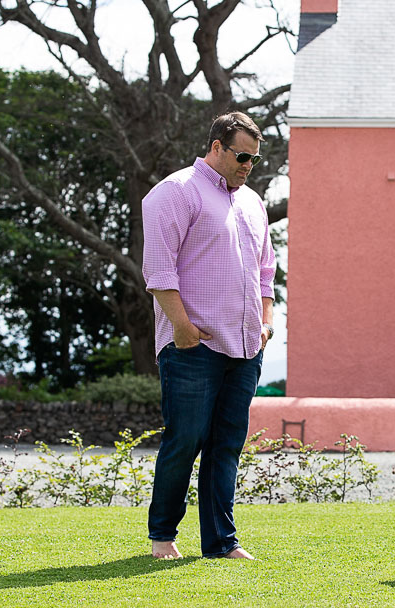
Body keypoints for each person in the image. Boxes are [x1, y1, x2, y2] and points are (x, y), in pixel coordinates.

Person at [142, 111, 276, 560]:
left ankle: (221, 543)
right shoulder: (175, 192)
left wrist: (267, 321)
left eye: (254, 160)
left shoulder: (253, 204)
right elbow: (158, 270)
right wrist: (181, 327)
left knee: (227, 446)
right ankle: (163, 536)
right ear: (216, 146)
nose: (247, 166)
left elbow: (265, 272)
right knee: (186, 439)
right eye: (241, 156)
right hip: (193, 345)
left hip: (245, 347)